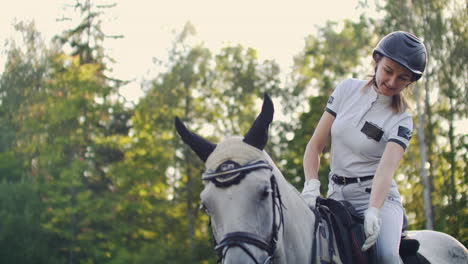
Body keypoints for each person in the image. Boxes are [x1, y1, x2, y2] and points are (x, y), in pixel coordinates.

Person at [301, 31, 427, 263]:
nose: (391, 82)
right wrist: (311, 184)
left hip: (378, 199)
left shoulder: (402, 120)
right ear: (377, 60)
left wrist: (373, 210)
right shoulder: (346, 89)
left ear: (410, 82)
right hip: (335, 197)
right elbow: (315, 145)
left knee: (387, 256)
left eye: (402, 78)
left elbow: (386, 170)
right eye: (388, 71)